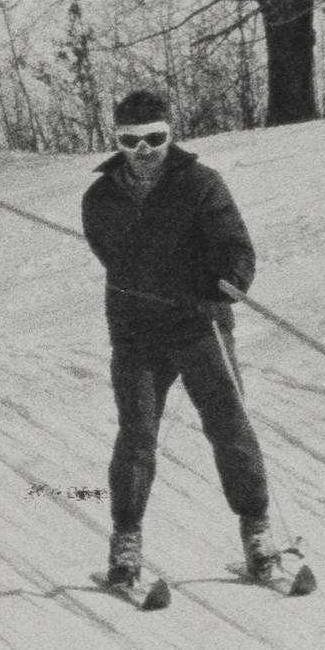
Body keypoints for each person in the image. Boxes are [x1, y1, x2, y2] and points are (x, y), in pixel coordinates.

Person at [80, 87, 277, 588]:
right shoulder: (100, 198)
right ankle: (126, 545)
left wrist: (223, 283)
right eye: (131, 140)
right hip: (136, 332)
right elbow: (112, 255)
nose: (144, 151)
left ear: (172, 135)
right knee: (137, 434)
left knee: (228, 424)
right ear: (117, 141)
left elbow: (237, 247)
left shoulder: (201, 185)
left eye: (155, 138)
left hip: (198, 325)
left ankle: (257, 533)